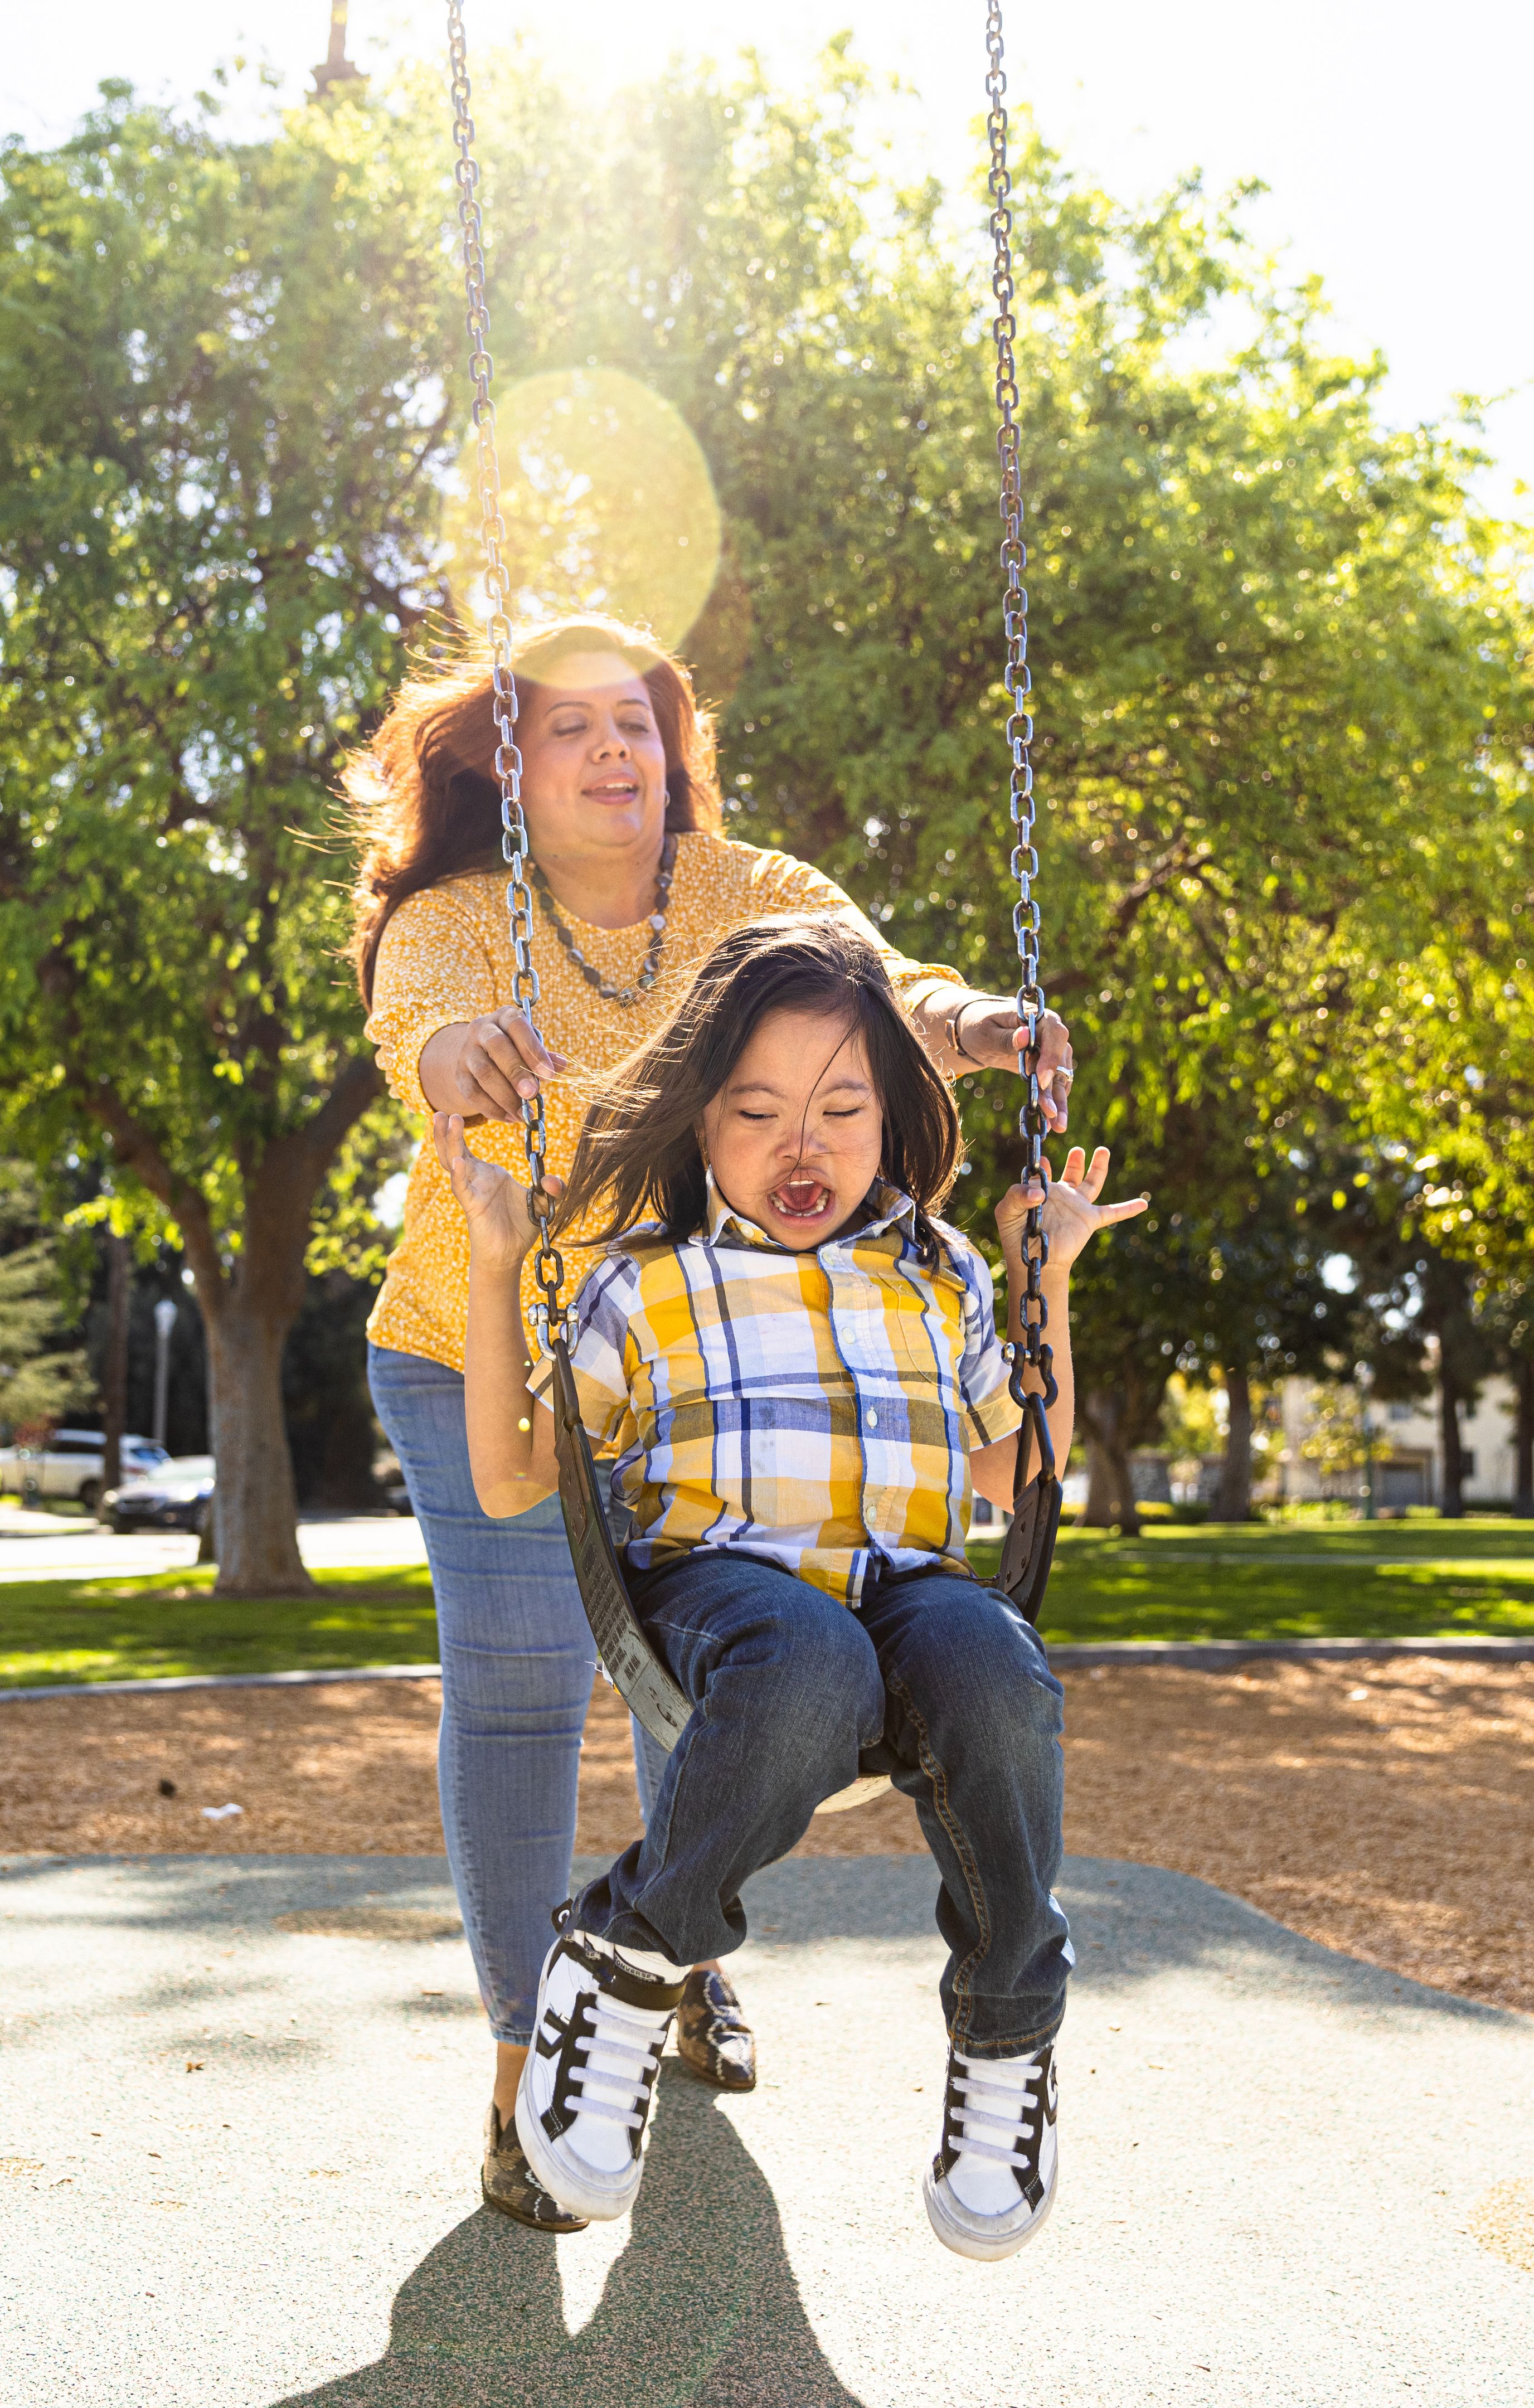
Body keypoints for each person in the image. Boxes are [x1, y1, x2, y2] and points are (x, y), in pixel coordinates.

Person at [348, 614, 1077, 2229]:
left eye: (639, 720)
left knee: (734, 1663)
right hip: (501, 1331)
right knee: (531, 1682)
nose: (616, 752)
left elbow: (891, 990)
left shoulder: (751, 891)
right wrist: (461, 1053)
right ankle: (518, 2044)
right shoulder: (459, 918)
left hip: (752, 1333)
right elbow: (424, 1034)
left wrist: (975, 1031)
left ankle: (671, 1945)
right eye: (572, 729)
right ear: (509, 769)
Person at [435, 916, 1134, 2261]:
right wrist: (490, 1257)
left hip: (904, 1592)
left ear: (894, 1113)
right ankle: (630, 1961)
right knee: (810, 1660)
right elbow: (515, 1472)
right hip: (717, 1592)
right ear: (699, 1122)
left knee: (992, 1669)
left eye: (838, 1106)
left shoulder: (938, 1270)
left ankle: (1006, 2032)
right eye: (754, 1110)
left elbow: (1021, 1463)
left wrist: (1044, 1274)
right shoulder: (641, 1285)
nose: (798, 1143)